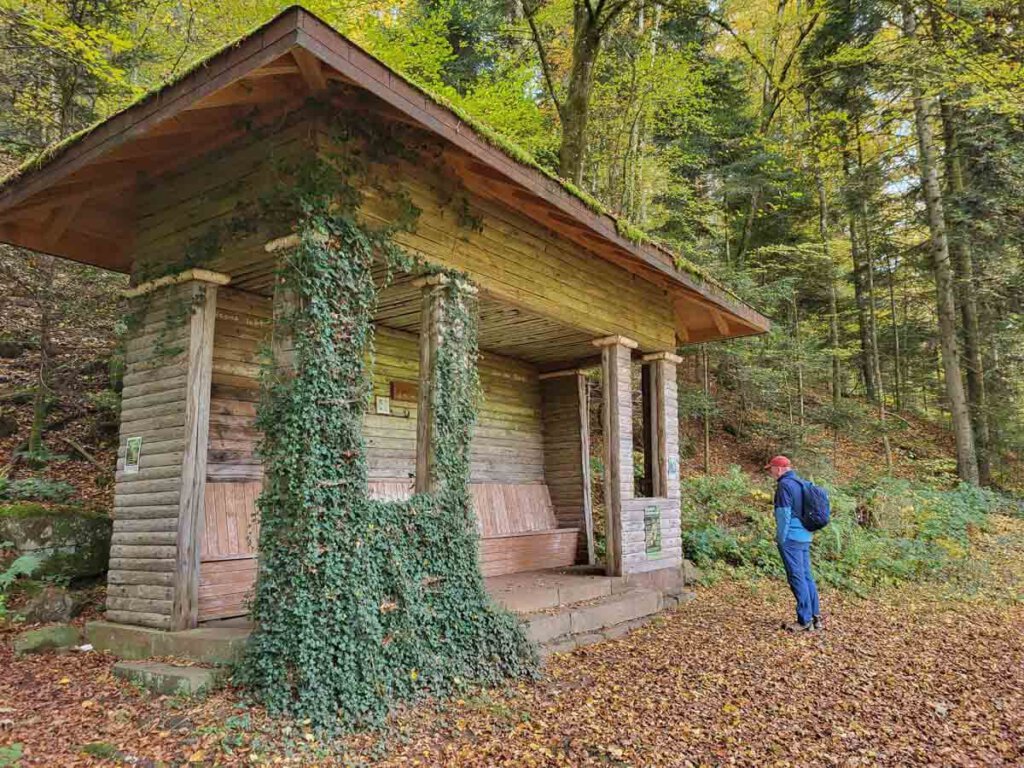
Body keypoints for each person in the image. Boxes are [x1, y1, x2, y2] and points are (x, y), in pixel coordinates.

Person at [765, 455, 822, 632]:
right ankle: (815, 617)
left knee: (796, 577)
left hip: (791, 538)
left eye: (771, 469)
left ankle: (804, 620)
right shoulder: (801, 483)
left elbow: (783, 515)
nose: (771, 473)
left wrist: (781, 539)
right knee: (806, 576)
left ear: (780, 469)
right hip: (806, 535)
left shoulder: (784, 486)